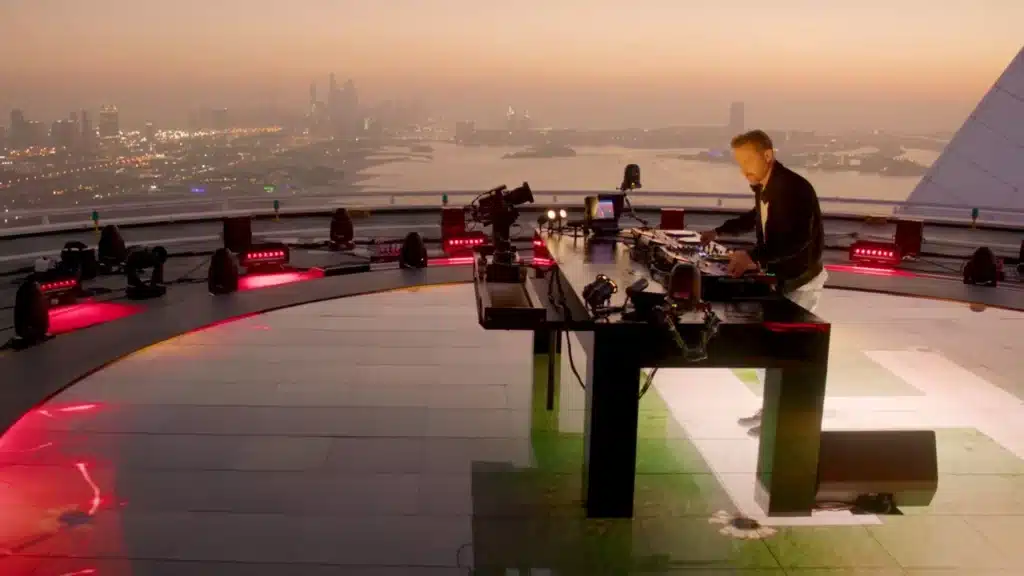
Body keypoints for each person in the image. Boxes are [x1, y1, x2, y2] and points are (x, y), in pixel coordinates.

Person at [699, 129, 827, 436]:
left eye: (747, 160)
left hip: (800, 281)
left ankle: (781, 420)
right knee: (767, 345)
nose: (743, 169)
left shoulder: (794, 189)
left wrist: (754, 257)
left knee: (781, 350)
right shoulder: (766, 185)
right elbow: (755, 218)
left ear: (767, 155)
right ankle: (771, 408)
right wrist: (719, 231)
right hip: (782, 277)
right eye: (738, 162)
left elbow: (796, 241)